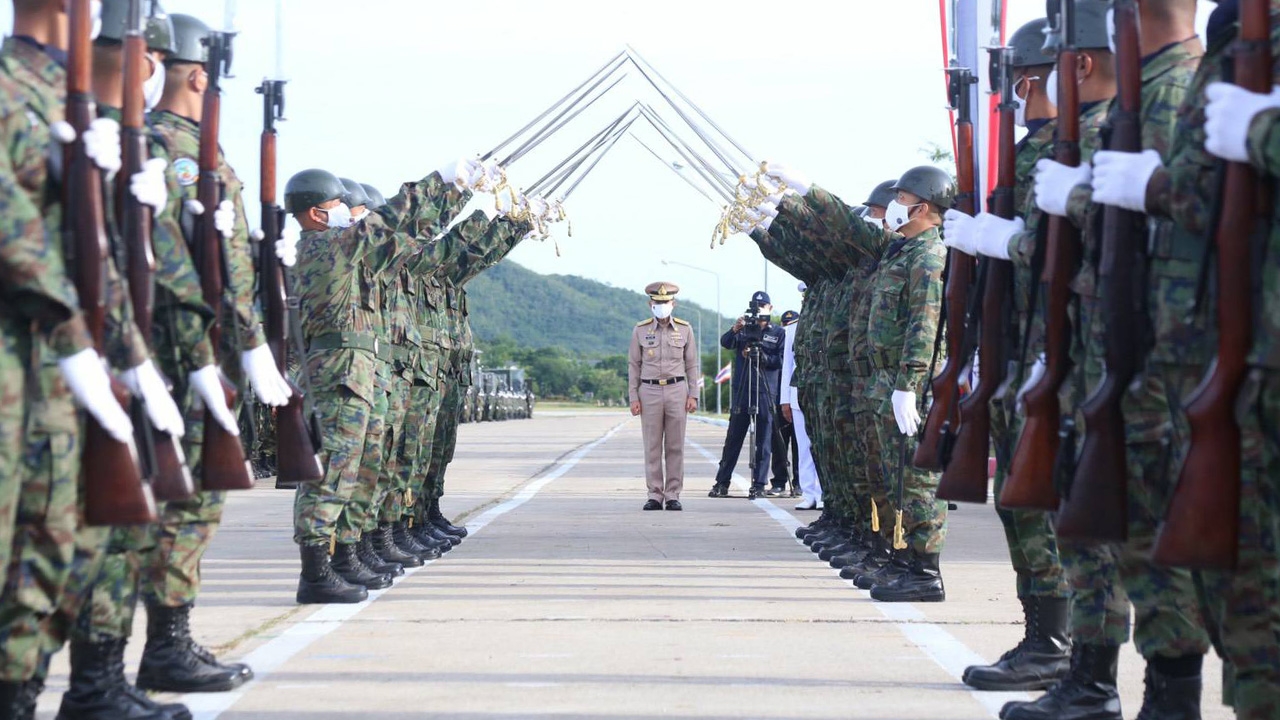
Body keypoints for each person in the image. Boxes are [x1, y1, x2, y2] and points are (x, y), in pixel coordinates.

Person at [942, 15, 1073, 694]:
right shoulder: (1037, 152)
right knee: (1021, 500)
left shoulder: (1054, 152)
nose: (1019, 97)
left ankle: (1055, 642)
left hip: (1048, 354)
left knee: (1035, 502)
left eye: (1021, 85)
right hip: (1021, 350)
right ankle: (1047, 636)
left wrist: (1001, 241)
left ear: (1031, 80)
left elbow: (1053, 250)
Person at [628, 282, 700, 511]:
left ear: (673, 303)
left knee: (675, 445)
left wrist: (694, 395)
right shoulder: (640, 330)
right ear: (650, 304)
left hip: (677, 390)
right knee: (652, 446)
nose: (661, 306)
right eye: (657, 303)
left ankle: (672, 494)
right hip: (648, 390)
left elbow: (692, 365)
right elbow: (633, 365)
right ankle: (654, 494)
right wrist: (633, 397)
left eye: (665, 302)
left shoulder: (685, 329)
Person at [708, 291, 785, 500]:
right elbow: (726, 342)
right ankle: (721, 482)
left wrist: (763, 357)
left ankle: (759, 484)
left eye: (763, 306)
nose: (759, 310)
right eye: (756, 306)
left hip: (764, 391)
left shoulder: (777, 332)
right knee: (733, 438)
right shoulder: (743, 330)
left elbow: (780, 361)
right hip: (742, 389)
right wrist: (736, 329)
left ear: (770, 308)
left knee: (764, 441)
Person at [779, 309, 821, 510]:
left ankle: (823, 494)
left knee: (821, 446)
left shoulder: (823, 320)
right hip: (797, 393)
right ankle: (809, 493)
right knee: (803, 448)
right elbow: (787, 364)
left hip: (820, 392)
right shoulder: (793, 328)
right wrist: (784, 399)